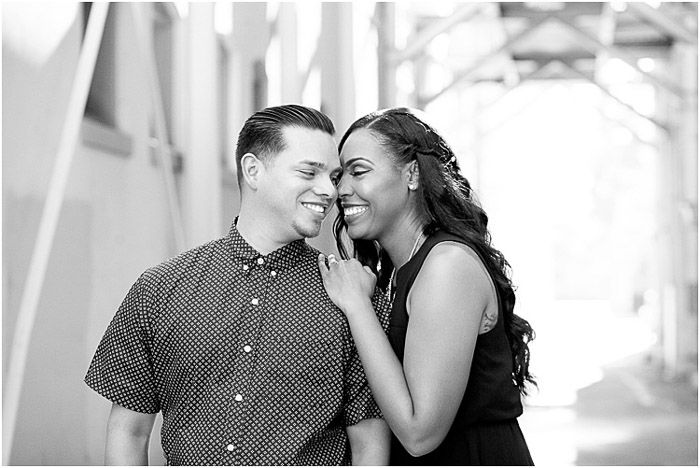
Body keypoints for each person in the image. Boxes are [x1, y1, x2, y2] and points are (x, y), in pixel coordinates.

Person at [85, 104, 390, 466]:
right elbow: (129, 432)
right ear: (252, 170)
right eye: (310, 171)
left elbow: (369, 444)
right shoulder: (159, 289)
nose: (329, 190)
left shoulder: (351, 298)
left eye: (333, 176)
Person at [318, 108, 536, 465]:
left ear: (412, 174)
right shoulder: (396, 272)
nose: (341, 190)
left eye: (358, 171)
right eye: (340, 175)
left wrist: (357, 307)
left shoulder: (446, 266)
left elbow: (420, 434)